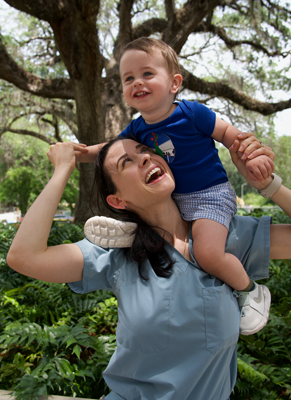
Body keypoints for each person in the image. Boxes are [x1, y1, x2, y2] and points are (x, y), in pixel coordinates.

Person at [7, 138, 291, 400]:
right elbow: (25, 257)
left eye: (145, 150)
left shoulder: (226, 237)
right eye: (127, 161)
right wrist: (62, 169)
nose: (145, 157)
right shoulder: (114, 253)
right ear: (118, 201)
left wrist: (266, 184)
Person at [76, 37, 275, 334]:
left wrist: (253, 157)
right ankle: (136, 234)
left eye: (147, 74)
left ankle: (250, 290)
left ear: (174, 83)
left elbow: (231, 136)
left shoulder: (192, 113)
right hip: (176, 200)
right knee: (150, 216)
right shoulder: (137, 128)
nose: (137, 82)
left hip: (210, 196)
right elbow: (113, 147)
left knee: (207, 253)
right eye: (128, 78)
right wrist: (83, 152)